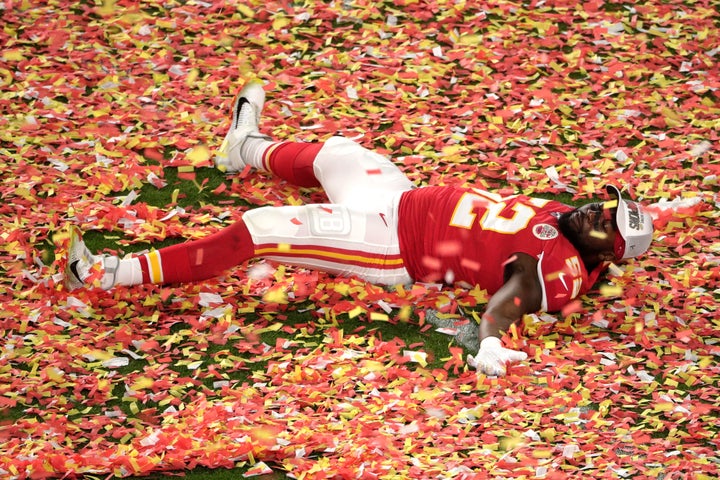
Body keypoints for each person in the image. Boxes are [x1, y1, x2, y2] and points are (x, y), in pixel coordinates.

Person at [64, 80, 654, 376]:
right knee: (340, 153)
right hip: (397, 199)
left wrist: (493, 338)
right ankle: (244, 148)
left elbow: (511, 296)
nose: (595, 211)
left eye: (606, 222)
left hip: (389, 242)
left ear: (608, 253)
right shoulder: (570, 223)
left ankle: (110, 273)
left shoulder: (558, 267)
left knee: (261, 228)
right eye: (605, 204)